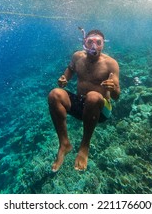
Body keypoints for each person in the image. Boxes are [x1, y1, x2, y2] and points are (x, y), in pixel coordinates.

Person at [48, 28, 120, 171]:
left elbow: (117, 97)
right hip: (81, 105)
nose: (94, 46)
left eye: (98, 42)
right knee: (54, 94)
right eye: (90, 42)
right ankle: (64, 144)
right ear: (84, 43)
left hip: (101, 111)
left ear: (103, 45)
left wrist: (113, 89)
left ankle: (84, 146)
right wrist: (64, 78)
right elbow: (70, 69)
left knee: (92, 96)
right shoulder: (77, 57)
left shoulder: (111, 64)